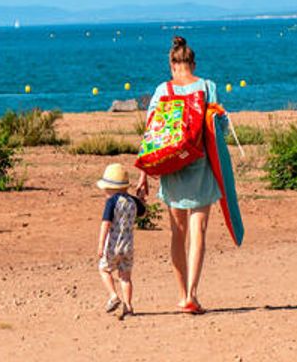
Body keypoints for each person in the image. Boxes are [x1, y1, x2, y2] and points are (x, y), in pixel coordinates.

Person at [136, 36, 225, 315]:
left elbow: (152, 134)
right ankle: (192, 295)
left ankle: (180, 292)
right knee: (198, 231)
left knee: (178, 233)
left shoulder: (163, 90)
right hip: (200, 166)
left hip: (172, 167)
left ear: (171, 64)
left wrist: (143, 175)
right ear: (193, 63)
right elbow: (217, 127)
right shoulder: (208, 87)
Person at [96, 162, 145, 319]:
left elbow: (106, 224)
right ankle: (128, 307)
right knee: (125, 277)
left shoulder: (111, 202)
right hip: (128, 246)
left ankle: (113, 296)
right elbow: (143, 213)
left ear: (110, 188)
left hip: (113, 245)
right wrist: (141, 198)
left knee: (104, 269)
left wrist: (100, 244)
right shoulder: (132, 201)